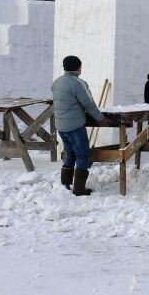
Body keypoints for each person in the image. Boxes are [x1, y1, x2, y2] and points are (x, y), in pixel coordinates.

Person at [51, 55, 112, 195]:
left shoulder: (57, 82)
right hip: (75, 126)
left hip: (60, 125)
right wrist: (101, 119)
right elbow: (89, 104)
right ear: (78, 67)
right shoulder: (78, 83)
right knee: (83, 155)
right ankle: (79, 188)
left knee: (69, 153)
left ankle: (66, 183)